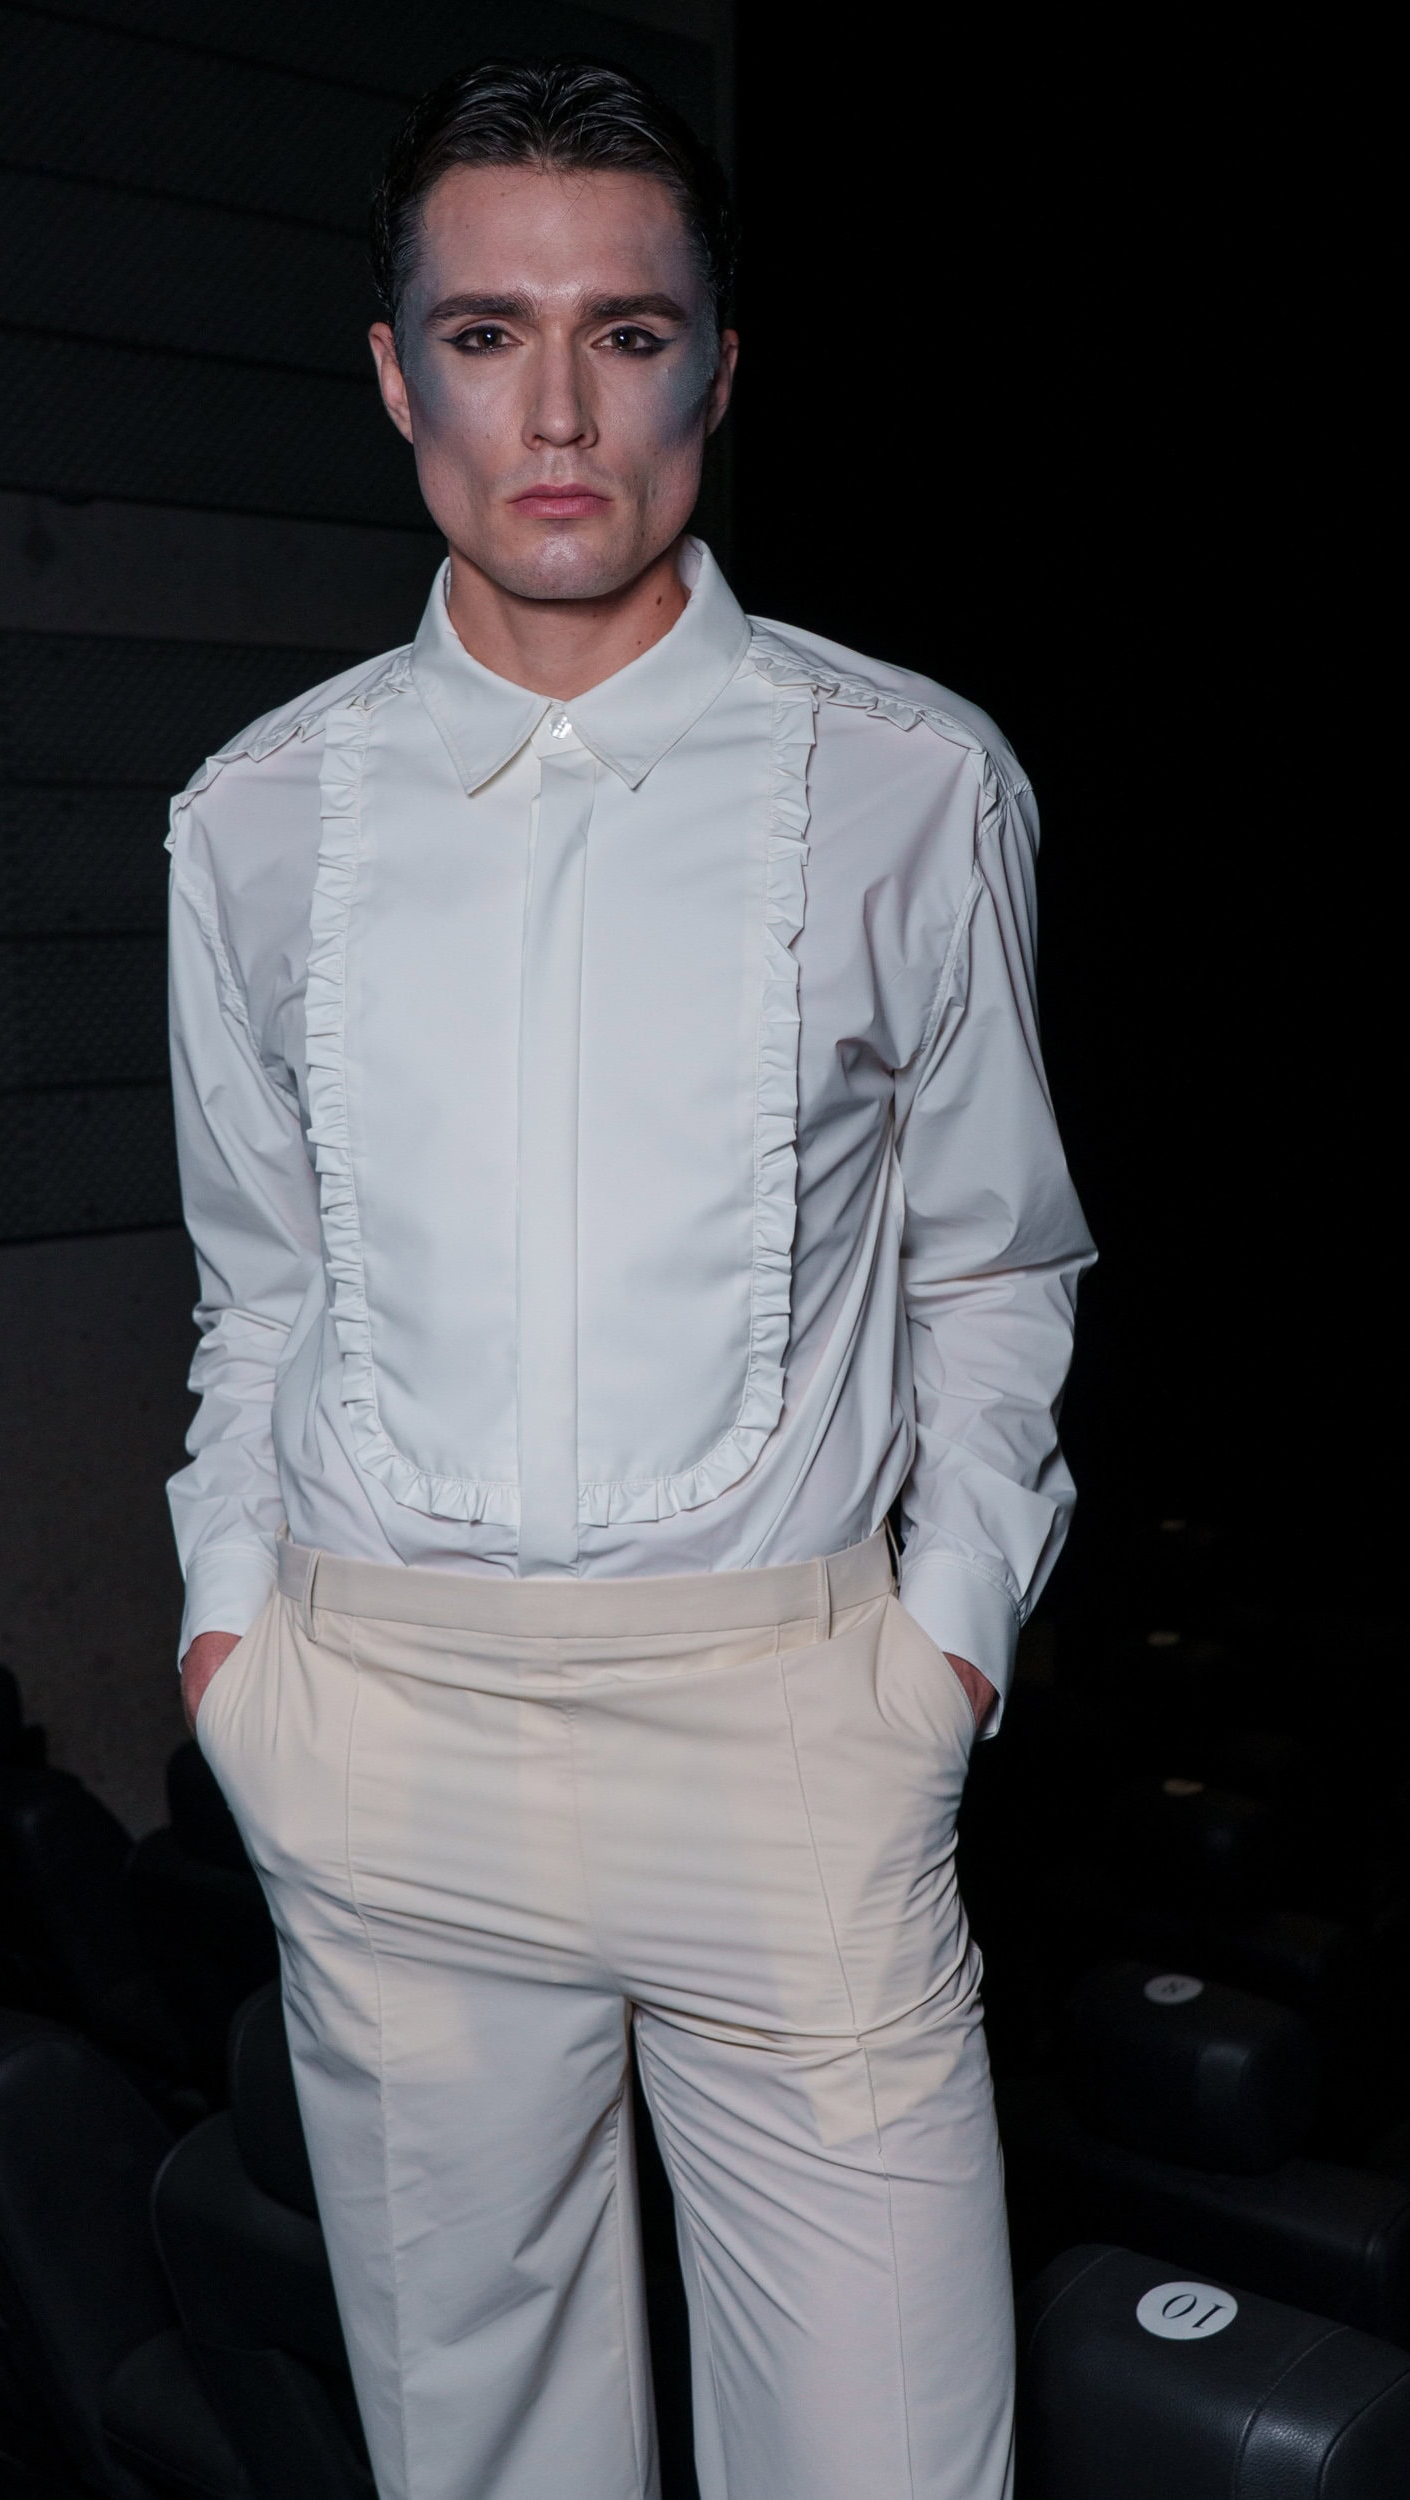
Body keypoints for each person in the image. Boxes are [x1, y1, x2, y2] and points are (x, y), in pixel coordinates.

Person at [166, 56, 1092, 2500]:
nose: (558, 411)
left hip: (793, 1748)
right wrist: (235, 1641)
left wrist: (942, 1649)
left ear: (718, 369)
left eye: (628, 332)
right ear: (398, 374)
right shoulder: (252, 821)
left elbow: (1000, 1261)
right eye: (488, 334)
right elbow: (258, 1288)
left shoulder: (914, 779)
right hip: (380, 1744)